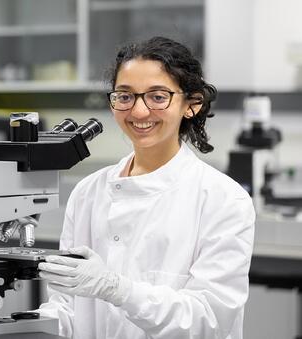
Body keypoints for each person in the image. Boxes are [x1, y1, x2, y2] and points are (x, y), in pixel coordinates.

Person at [37, 36, 255, 339]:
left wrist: (117, 288)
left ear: (191, 105)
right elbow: (66, 306)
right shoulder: (88, 193)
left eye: (157, 96)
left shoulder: (223, 199)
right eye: (125, 96)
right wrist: (31, 325)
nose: (138, 112)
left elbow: (208, 321)